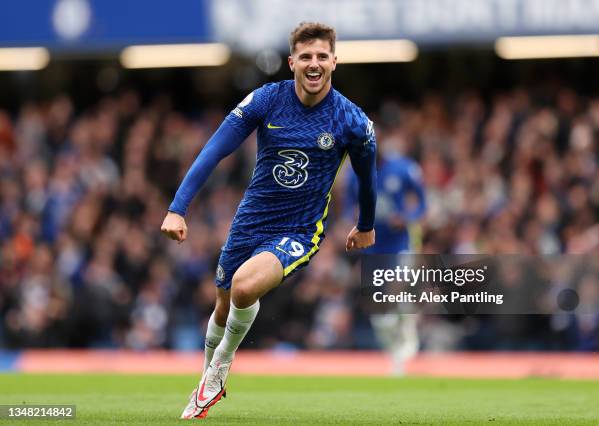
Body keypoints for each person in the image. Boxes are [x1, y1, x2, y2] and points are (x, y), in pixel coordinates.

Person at [161, 22, 377, 420]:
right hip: (250, 221)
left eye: (322, 56)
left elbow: (367, 178)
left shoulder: (351, 121)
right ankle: (205, 381)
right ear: (292, 61)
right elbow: (213, 151)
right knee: (223, 307)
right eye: (306, 57)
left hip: (298, 230)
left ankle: (220, 368)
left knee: (244, 288)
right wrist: (178, 206)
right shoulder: (266, 100)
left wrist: (365, 224)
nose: (314, 64)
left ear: (335, 61)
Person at [344, 138, 426, 375]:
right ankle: (396, 354)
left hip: (399, 244)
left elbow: (421, 202)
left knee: (396, 290)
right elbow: (349, 206)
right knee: (380, 317)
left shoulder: (403, 169)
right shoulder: (353, 175)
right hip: (372, 248)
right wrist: (354, 218)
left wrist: (407, 217)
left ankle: (407, 329)